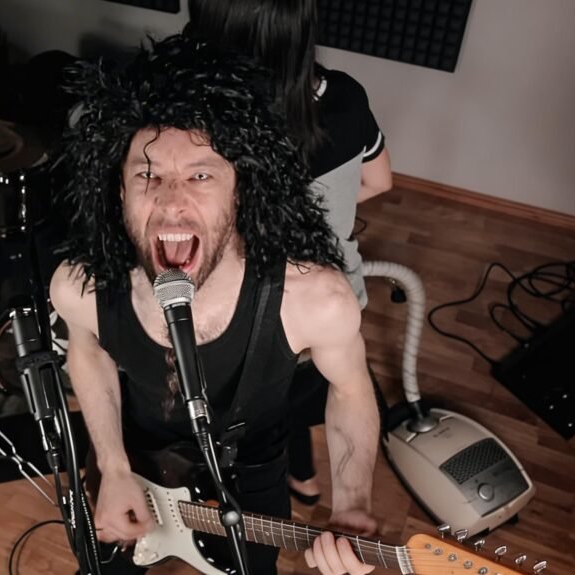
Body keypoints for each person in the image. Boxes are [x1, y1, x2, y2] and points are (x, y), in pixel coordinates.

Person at [50, 35, 379, 574]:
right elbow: (87, 350)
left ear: (241, 189)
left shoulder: (315, 300)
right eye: (147, 176)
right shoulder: (79, 286)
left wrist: (353, 504)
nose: (171, 200)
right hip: (129, 466)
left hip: (248, 482)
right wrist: (111, 466)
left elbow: (350, 388)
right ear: (119, 193)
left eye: (200, 175)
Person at [185, 0, 393, 506]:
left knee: (261, 419)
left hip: (247, 324)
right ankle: (304, 477)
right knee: (300, 395)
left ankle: (270, 485)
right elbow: (379, 180)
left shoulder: (194, 126)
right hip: (333, 307)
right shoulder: (343, 96)